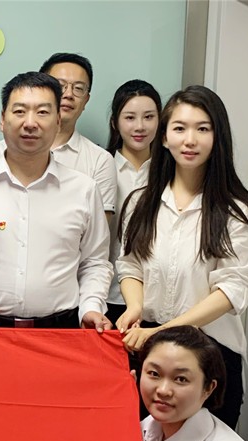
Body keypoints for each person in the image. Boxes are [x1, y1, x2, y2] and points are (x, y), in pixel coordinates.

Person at [117, 85, 248, 429]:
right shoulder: (141, 202)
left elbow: (232, 290)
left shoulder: (235, 211)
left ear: (217, 137)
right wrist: (135, 307)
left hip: (210, 353)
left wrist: (165, 331)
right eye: (180, 128)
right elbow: (130, 266)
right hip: (150, 351)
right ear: (164, 137)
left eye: (202, 128)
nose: (190, 140)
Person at [0, 72, 112, 331]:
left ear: (58, 121)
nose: (30, 123)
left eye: (42, 112)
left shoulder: (83, 189)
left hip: (61, 329)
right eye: (20, 111)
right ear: (2, 119)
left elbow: (95, 262)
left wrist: (91, 307)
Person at [0, 53, 117, 222]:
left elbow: (97, 230)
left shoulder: (100, 160)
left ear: (86, 99)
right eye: (60, 86)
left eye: (78, 88)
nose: (68, 94)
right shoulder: (0, 151)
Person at [104, 80, 161, 324]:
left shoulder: (172, 173)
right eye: (130, 117)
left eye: (149, 117)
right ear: (115, 122)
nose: (140, 126)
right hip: (107, 297)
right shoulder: (101, 169)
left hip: (157, 299)